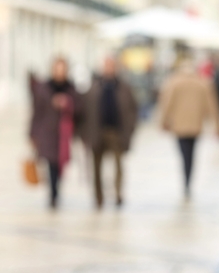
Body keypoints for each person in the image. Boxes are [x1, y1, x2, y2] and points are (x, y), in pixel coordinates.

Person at [159, 58, 219, 197]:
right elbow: (213, 105)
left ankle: (186, 180)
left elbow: (166, 104)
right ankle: (188, 180)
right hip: (195, 125)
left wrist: (164, 122)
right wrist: (217, 126)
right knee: (191, 154)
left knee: (183, 153)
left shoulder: (173, 82)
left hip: (179, 126)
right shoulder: (203, 83)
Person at [82, 56, 138, 209]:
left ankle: (118, 193)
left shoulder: (124, 87)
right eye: (106, 66)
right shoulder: (94, 87)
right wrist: (85, 132)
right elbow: (84, 110)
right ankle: (98, 197)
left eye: (112, 66)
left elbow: (133, 109)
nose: (109, 69)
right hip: (97, 131)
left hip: (117, 132)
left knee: (119, 165)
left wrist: (130, 128)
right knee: (96, 166)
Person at [29, 57, 82, 209]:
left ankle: (56, 189)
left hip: (65, 134)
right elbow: (36, 112)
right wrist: (32, 133)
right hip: (48, 132)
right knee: (51, 163)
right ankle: (53, 194)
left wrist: (67, 103)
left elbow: (80, 109)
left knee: (61, 164)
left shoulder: (71, 88)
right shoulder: (44, 88)